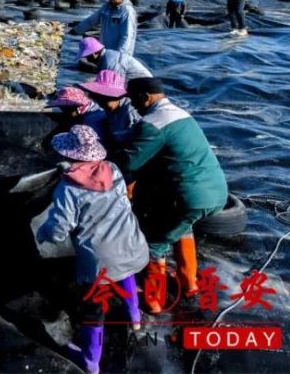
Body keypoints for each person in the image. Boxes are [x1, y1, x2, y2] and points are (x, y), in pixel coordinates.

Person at [36, 125, 147, 374]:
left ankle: (90, 362)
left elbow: (58, 230)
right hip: (130, 245)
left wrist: (42, 233)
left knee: (94, 311)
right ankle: (136, 321)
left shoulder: (68, 189)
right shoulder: (114, 170)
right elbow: (97, 183)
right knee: (126, 275)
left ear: (70, 156)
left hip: (100, 262)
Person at [115, 77, 228, 314]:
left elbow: (130, 161)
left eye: (135, 101)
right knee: (182, 228)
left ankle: (154, 302)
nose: (134, 106)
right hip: (216, 192)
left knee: (155, 242)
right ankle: (191, 286)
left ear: (145, 97)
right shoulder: (180, 114)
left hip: (187, 197)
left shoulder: (153, 124)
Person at [79, 70, 142, 153]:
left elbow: (137, 144)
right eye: (98, 99)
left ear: (116, 97)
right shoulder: (110, 109)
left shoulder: (130, 113)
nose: (100, 103)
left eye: (103, 99)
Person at [73, 0, 138, 56]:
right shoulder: (107, 7)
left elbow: (126, 37)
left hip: (119, 55)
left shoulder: (127, 12)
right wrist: (75, 30)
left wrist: (119, 57)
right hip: (106, 51)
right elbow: (91, 21)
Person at [76, 37, 152, 82]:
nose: (87, 60)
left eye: (87, 56)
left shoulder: (111, 62)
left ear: (94, 53)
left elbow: (114, 87)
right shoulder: (104, 59)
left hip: (145, 88)